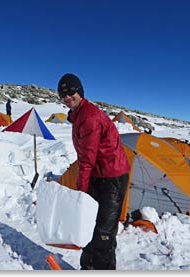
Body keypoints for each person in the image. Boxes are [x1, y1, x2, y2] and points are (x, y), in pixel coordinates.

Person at [57, 73, 130, 270]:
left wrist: (82, 192)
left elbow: (87, 159)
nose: (67, 97)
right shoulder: (78, 115)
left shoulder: (89, 117)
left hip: (112, 178)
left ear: (80, 91)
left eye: (71, 92)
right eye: (63, 94)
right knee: (90, 227)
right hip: (99, 175)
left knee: (103, 234)